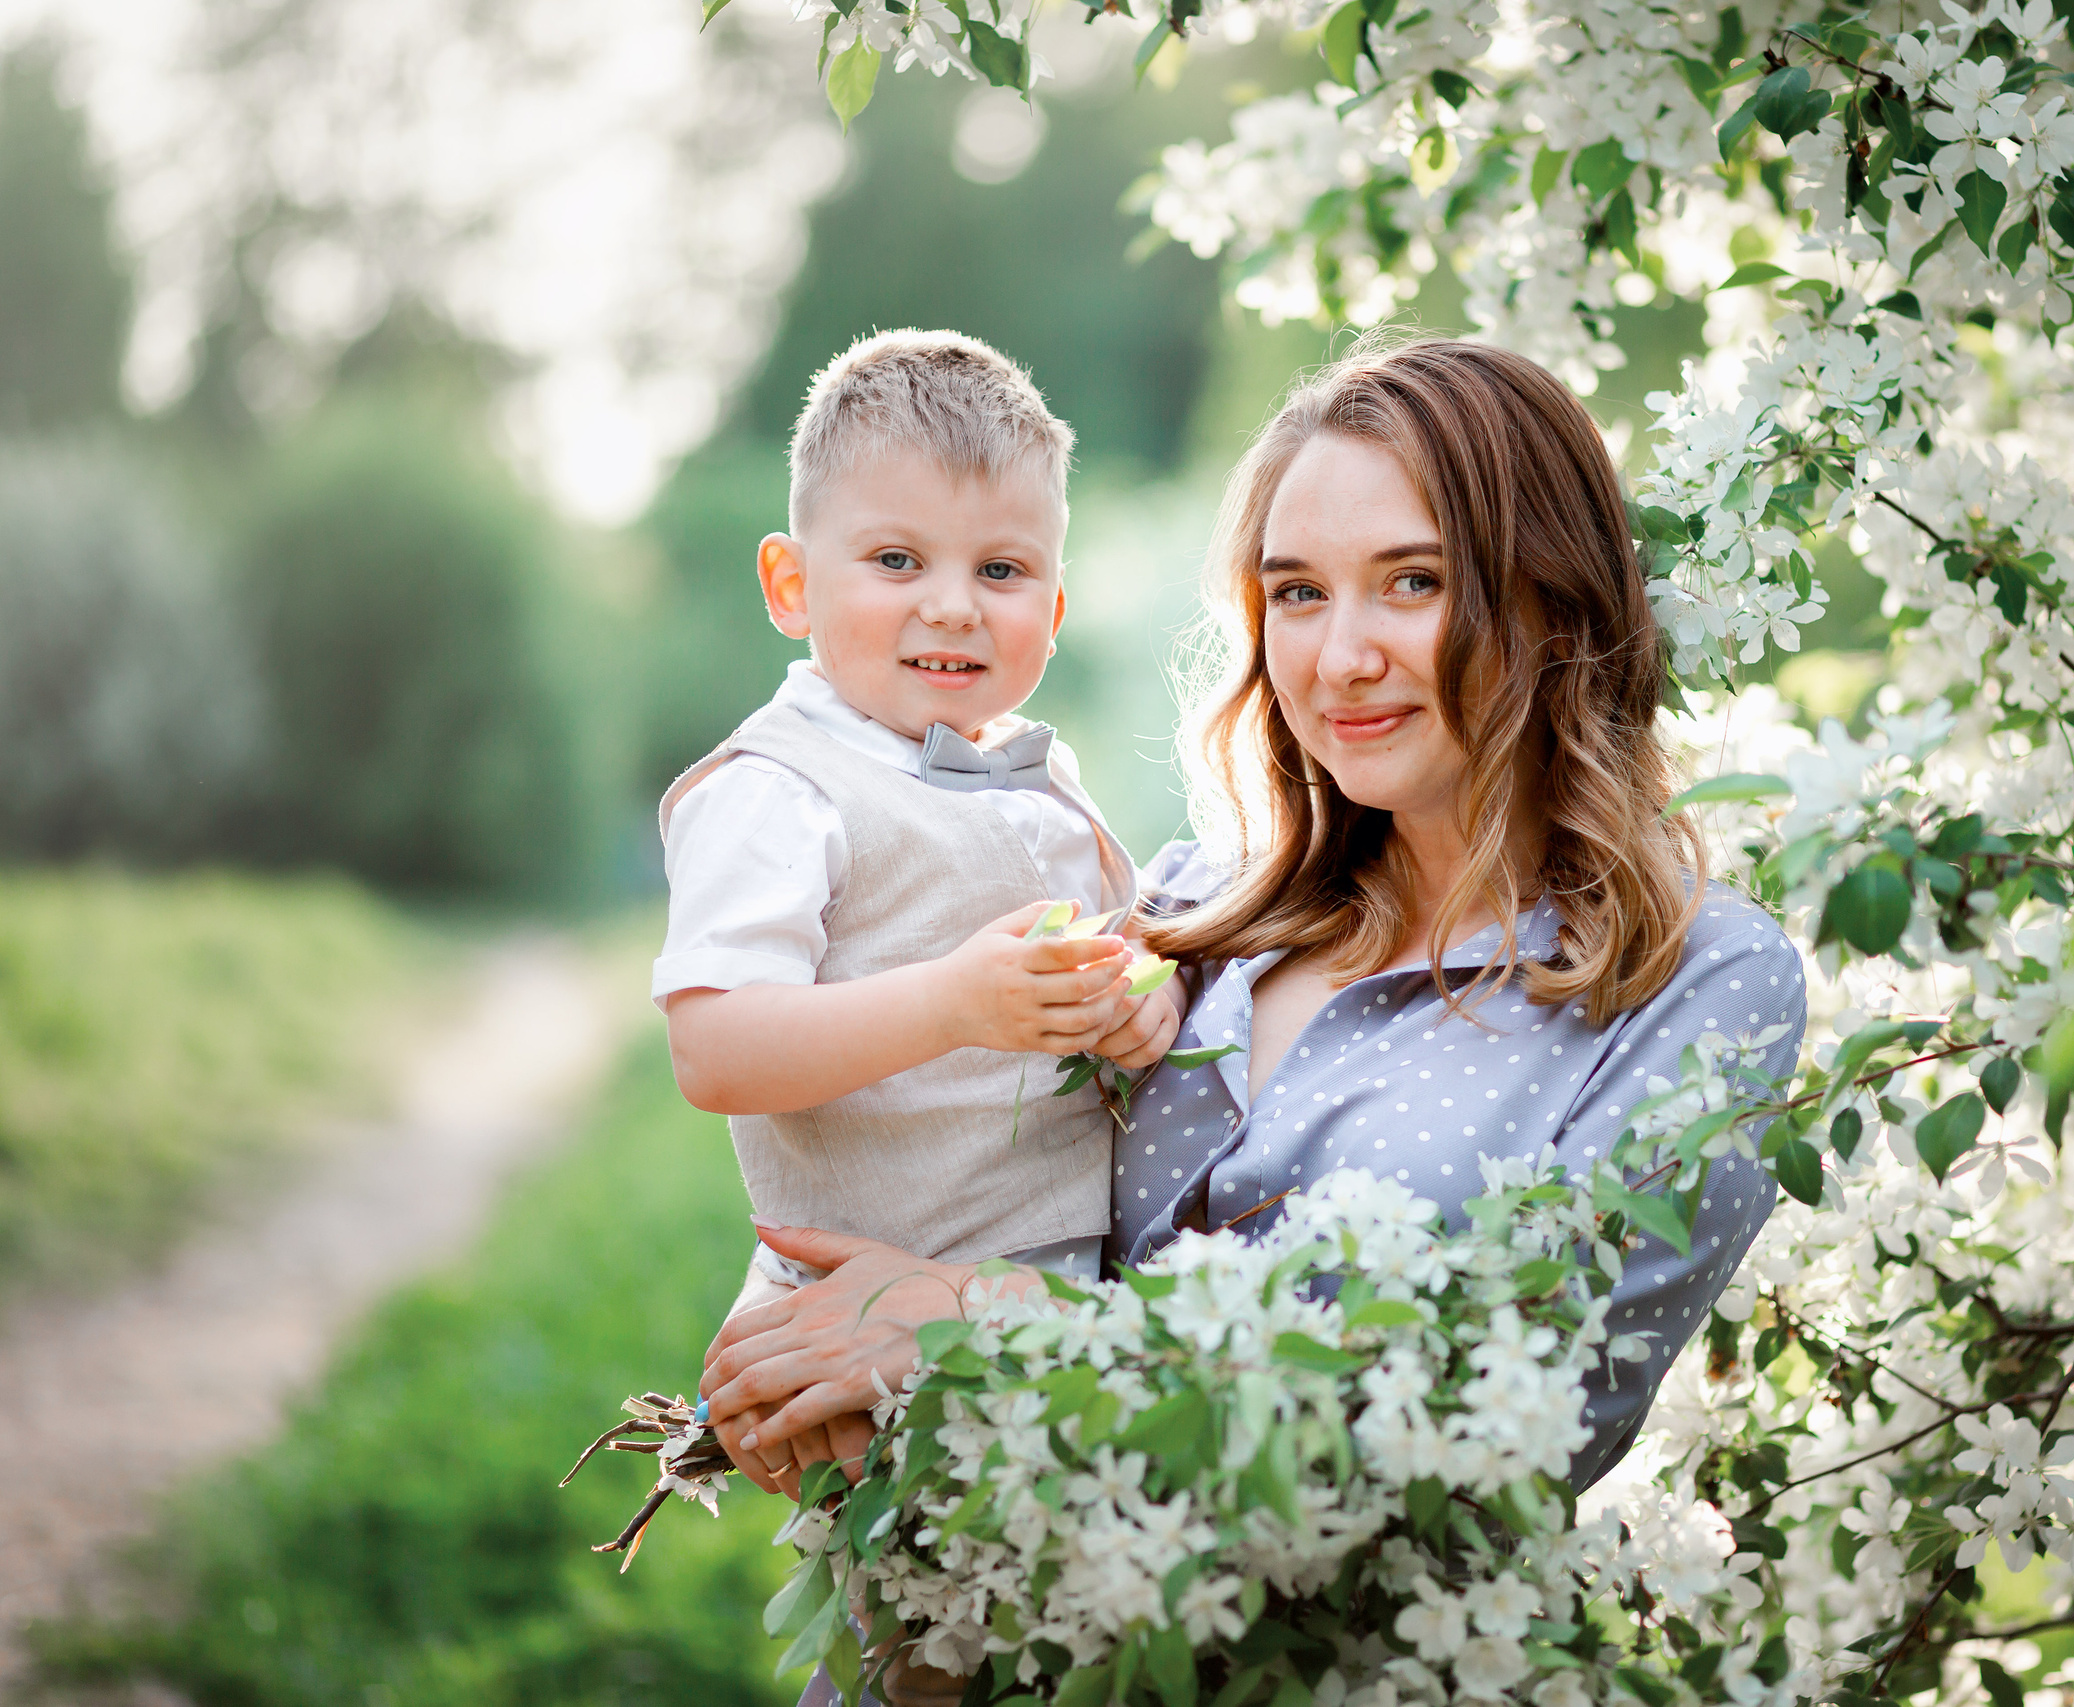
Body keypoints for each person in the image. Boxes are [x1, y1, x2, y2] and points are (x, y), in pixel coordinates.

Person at [702, 337, 1808, 1706]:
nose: (1341, 656)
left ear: (1553, 595)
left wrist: (976, 1328)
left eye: (1414, 580)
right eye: (1297, 592)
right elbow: (922, 1153)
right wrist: (801, 1344)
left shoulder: (1701, 984)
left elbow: (1514, 1431)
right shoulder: (1177, 917)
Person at [655, 328, 1182, 1486]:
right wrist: (951, 1003)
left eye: (1000, 572)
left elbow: (1119, 952)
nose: (952, 607)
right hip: (862, 1332)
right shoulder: (778, 791)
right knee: (930, 1639)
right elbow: (714, 1047)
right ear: (792, 586)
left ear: (1052, 607)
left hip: (1041, 1307)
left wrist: (1138, 1003)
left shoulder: (1043, 776)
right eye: (897, 561)